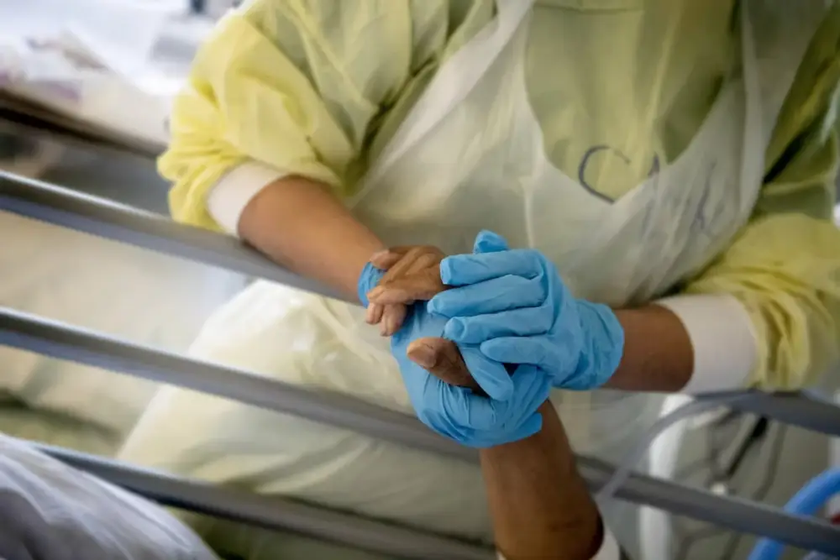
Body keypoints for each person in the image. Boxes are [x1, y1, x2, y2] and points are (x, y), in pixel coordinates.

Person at [152, 0, 840, 554]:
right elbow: (228, 148)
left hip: (544, 504)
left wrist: (591, 343)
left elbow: (789, 305)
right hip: (285, 434)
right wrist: (389, 288)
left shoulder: (800, 30)